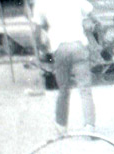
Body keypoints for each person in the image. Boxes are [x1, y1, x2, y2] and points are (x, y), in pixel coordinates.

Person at [32, 0, 96, 134]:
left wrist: (40, 46)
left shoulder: (41, 2)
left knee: (64, 89)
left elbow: (36, 30)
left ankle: (61, 125)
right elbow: (92, 14)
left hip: (60, 47)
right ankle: (89, 125)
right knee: (85, 88)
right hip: (79, 45)